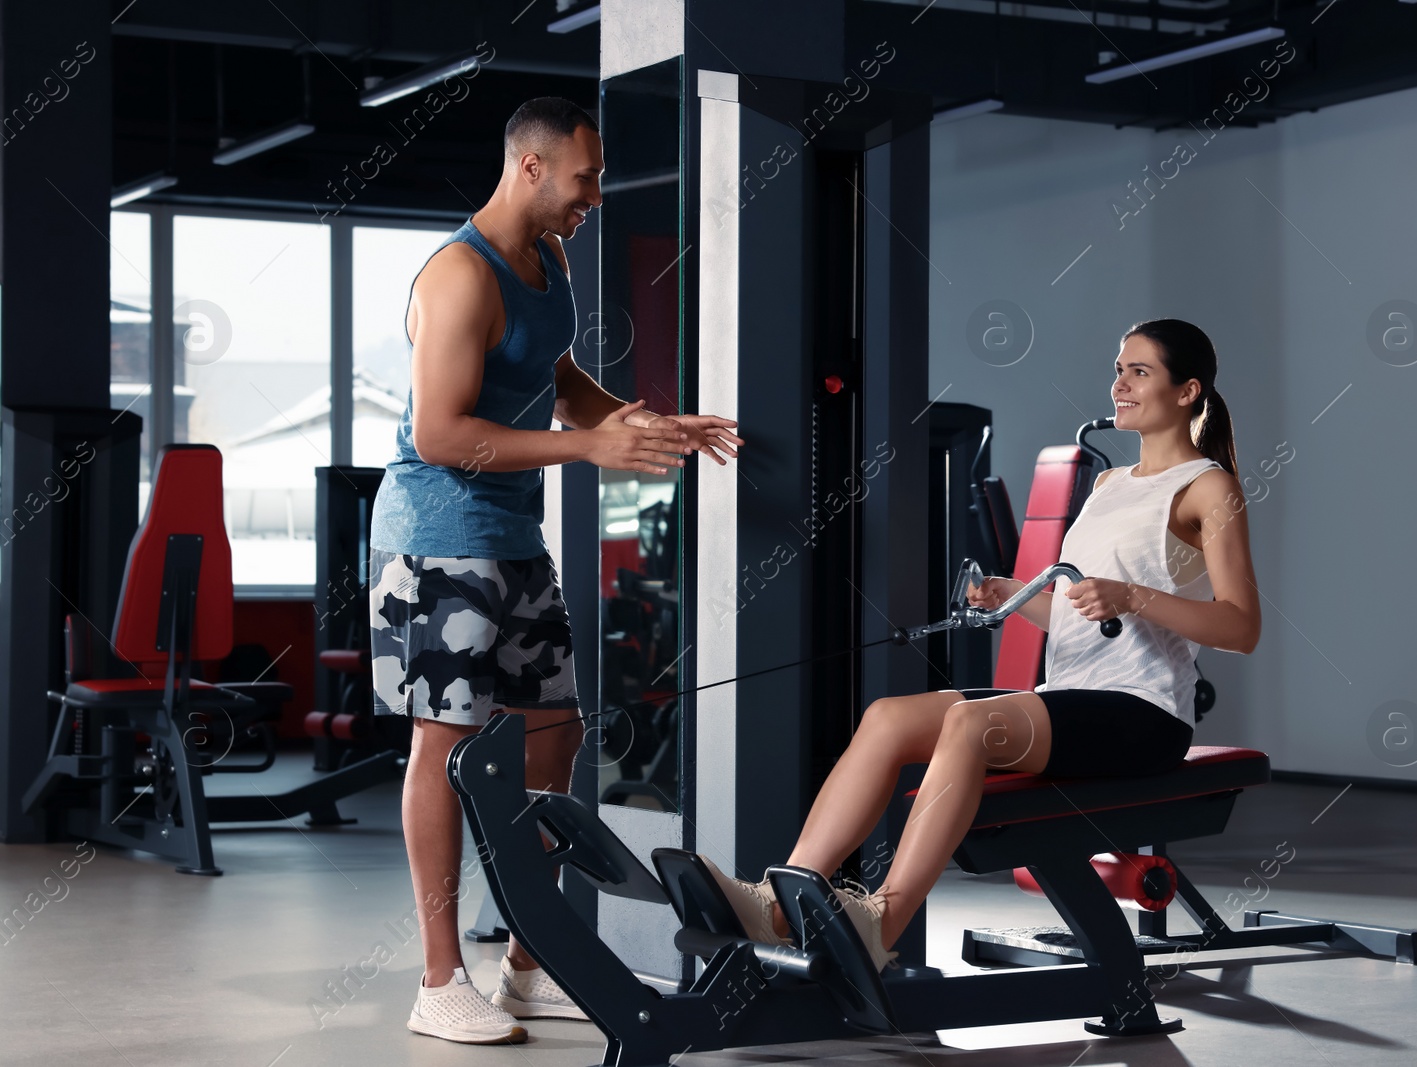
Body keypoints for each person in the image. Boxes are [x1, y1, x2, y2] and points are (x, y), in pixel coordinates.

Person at [703, 318, 1259, 971]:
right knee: (888, 717)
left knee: (968, 723)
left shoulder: (1208, 486)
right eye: (1118, 367)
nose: (1119, 382)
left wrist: (1133, 595)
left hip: (1145, 716)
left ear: (1188, 390)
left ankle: (883, 920)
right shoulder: (1110, 484)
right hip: (1072, 700)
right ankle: (777, 902)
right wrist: (1019, 598)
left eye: (1140, 370)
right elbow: (1088, 614)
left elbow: (1240, 625)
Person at [367, 97, 741, 1045]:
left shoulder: (551, 260)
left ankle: (529, 965)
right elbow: (441, 432)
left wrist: (638, 422)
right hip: (435, 541)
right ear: (531, 168)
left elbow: (560, 379)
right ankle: (440, 978)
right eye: (585, 178)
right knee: (444, 753)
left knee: (554, 739)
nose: (596, 196)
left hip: (514, 541)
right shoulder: (460, 275)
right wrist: (589, 455)